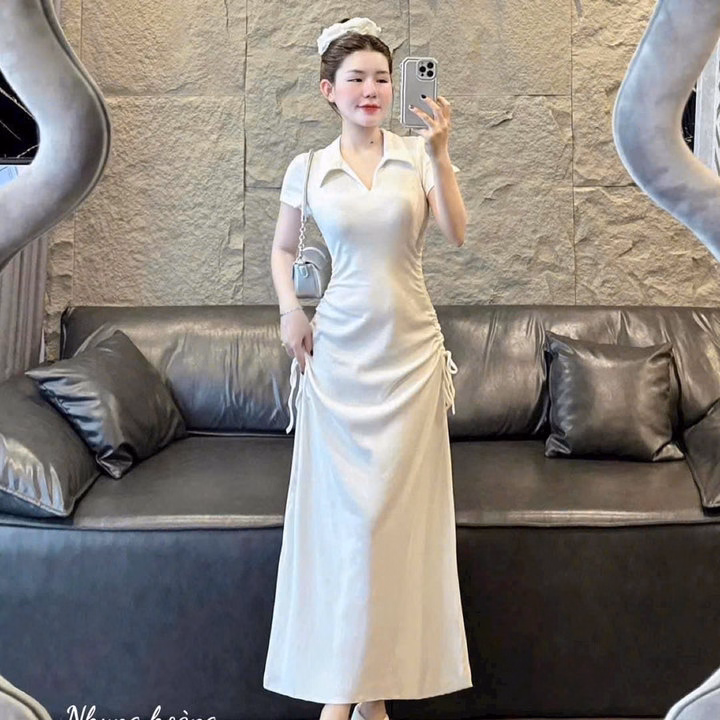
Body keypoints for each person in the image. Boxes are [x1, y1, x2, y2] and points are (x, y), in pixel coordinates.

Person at [264, 16, 472, 720]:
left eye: (382, 77)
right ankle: (347, 692)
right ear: (329, 90)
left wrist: (441, 152)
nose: (372, 89)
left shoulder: (418, 154)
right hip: (337, 360)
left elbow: (456, 233)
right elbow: (282, 250)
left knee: (392, 528)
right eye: (355, 78)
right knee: (344, 530)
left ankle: (369, 694)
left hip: (409, 358)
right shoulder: (307, 167)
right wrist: (290, 310)